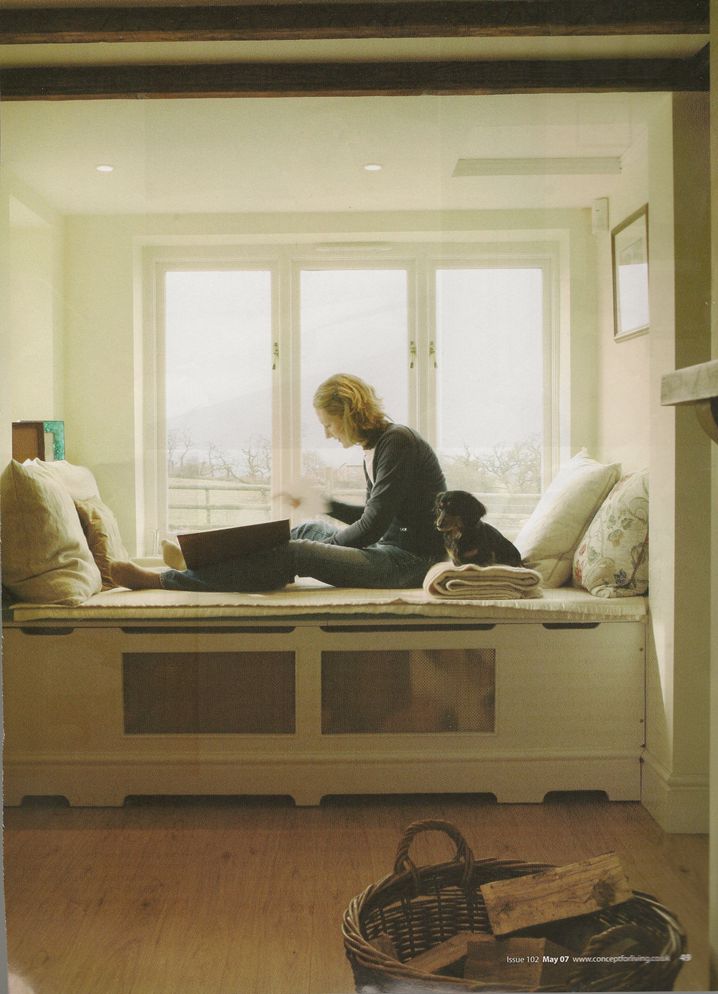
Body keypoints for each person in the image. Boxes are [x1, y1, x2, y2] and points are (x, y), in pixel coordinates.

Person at [109, 373, 447, 592]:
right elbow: (378, 516)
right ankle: (204, 564)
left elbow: (372, 527)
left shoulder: (397, 442)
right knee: (303, 531)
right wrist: (322, 504)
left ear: (347, 414)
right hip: (390, 550)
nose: (327, 434)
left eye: (329, 424)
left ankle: (164, 580)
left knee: (297, 552)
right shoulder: (376, 447)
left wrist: (328, 548)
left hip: (410, 563)